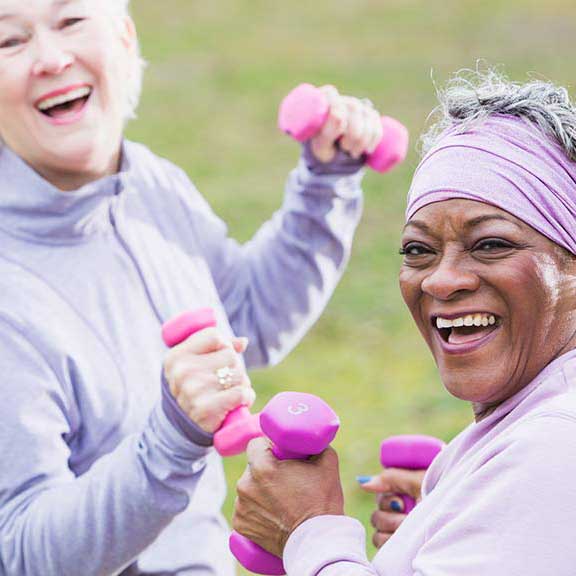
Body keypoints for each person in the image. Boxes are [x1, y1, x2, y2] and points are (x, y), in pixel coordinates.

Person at [0, 1, 388, 575]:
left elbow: (249, 320)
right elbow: (24, 554)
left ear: (126, 40)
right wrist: (171, 440)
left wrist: (324, 184)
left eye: (71, 21)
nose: (52, 58)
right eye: (9, 41)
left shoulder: (148, 182)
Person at [233, 68, 576, 575]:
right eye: (419, 250)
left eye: (491, 244)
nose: (441, 280)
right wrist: (450, 520)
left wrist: (309, 533)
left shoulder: (554, 447)